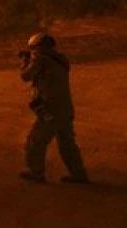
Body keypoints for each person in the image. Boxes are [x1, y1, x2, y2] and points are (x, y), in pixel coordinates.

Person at [19, 33, 88, 183]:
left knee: (36, 140)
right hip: (66, 107)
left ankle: (36, 172)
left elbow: (26, 76)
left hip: (50, 107)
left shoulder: (40, 58)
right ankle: (78, 174)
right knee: (67, 143)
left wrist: (25, 61)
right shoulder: (61, 59)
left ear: (36, 47)